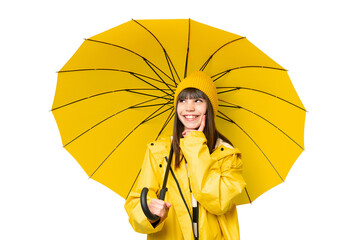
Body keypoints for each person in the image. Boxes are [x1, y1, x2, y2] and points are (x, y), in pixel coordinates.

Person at [124, 71, 246, 240]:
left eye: (197, 100)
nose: (189, 107)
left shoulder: (227, 155)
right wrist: (150, 214)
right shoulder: (159, 152)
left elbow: (218, 202)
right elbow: (135, 205)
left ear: (209, 107)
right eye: (182, 100)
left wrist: (195, 144)